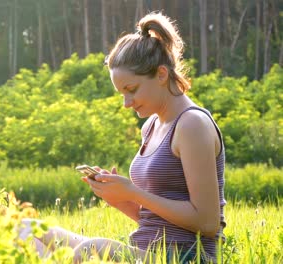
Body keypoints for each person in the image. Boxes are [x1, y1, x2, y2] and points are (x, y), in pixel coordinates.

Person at [18, 11, 226, 263]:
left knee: (91, 249)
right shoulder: (150, 126)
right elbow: (156, 219)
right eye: (121, 94)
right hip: (146, 253)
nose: (127, 103)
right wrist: (119, 199)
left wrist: (133, 192)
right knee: (26, 229)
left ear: (161, 74)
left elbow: (207, 222)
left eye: (132, 90)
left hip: (184, 257)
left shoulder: (192, 124)